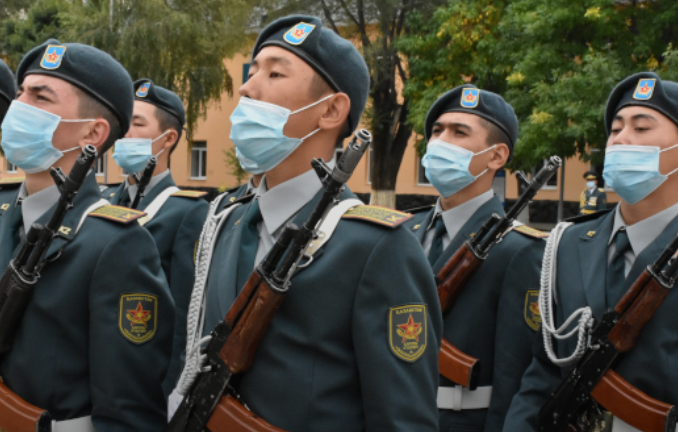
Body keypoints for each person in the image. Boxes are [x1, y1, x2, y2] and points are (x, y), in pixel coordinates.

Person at [180, 15, 442, 431]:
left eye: (275, 73)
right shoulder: (224, 224)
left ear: (331, 110)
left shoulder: (375, 247)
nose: (247, 87)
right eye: (251, 73)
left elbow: (402, 419)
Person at [0, 39, 173, 431]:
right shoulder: (4, 210)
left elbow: (128, 413)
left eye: (40, 98)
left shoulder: (116, 243)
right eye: (20, 93)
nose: (18, 107)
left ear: (92, 133)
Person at [504, 72, 678, 431]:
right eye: (615, 130)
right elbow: (544, 370)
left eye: (641, 129)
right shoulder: (568, 242)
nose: (620, 140)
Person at [402, 85, 546, 432]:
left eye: (458, 132)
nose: (439, 141)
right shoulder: (404, 232)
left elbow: (517, 374)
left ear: (496, 157)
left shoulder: (518, 249)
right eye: (437, 131)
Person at [102, 79, 209, 396]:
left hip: (145, 380)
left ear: (168, 138)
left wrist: (169, 395)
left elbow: (182, 319)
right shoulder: (104, 200)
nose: (125, 134)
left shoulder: (187, 212)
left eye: (137, 123)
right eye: (123, 123)